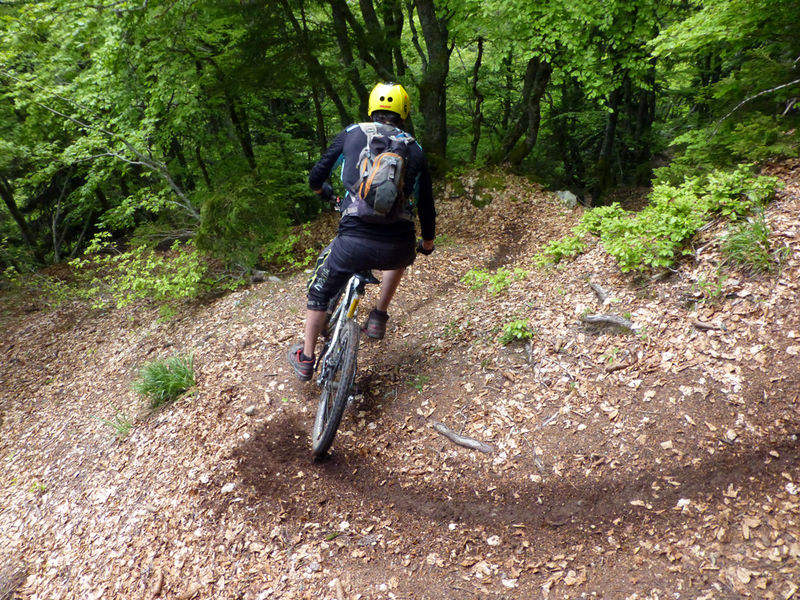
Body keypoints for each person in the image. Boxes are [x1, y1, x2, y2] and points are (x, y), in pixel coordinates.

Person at [288, 82, 436, 382]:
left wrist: (321, 190)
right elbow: (426, 205)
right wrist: (428, 243)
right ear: (404, 112)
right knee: (399, 255)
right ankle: (378, 316)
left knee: (320, 291)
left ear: (372, 107)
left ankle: (306, 357)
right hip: (398, 247)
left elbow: (317, 175)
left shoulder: (352, 133)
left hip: (352, 241)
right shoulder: (415, 149)